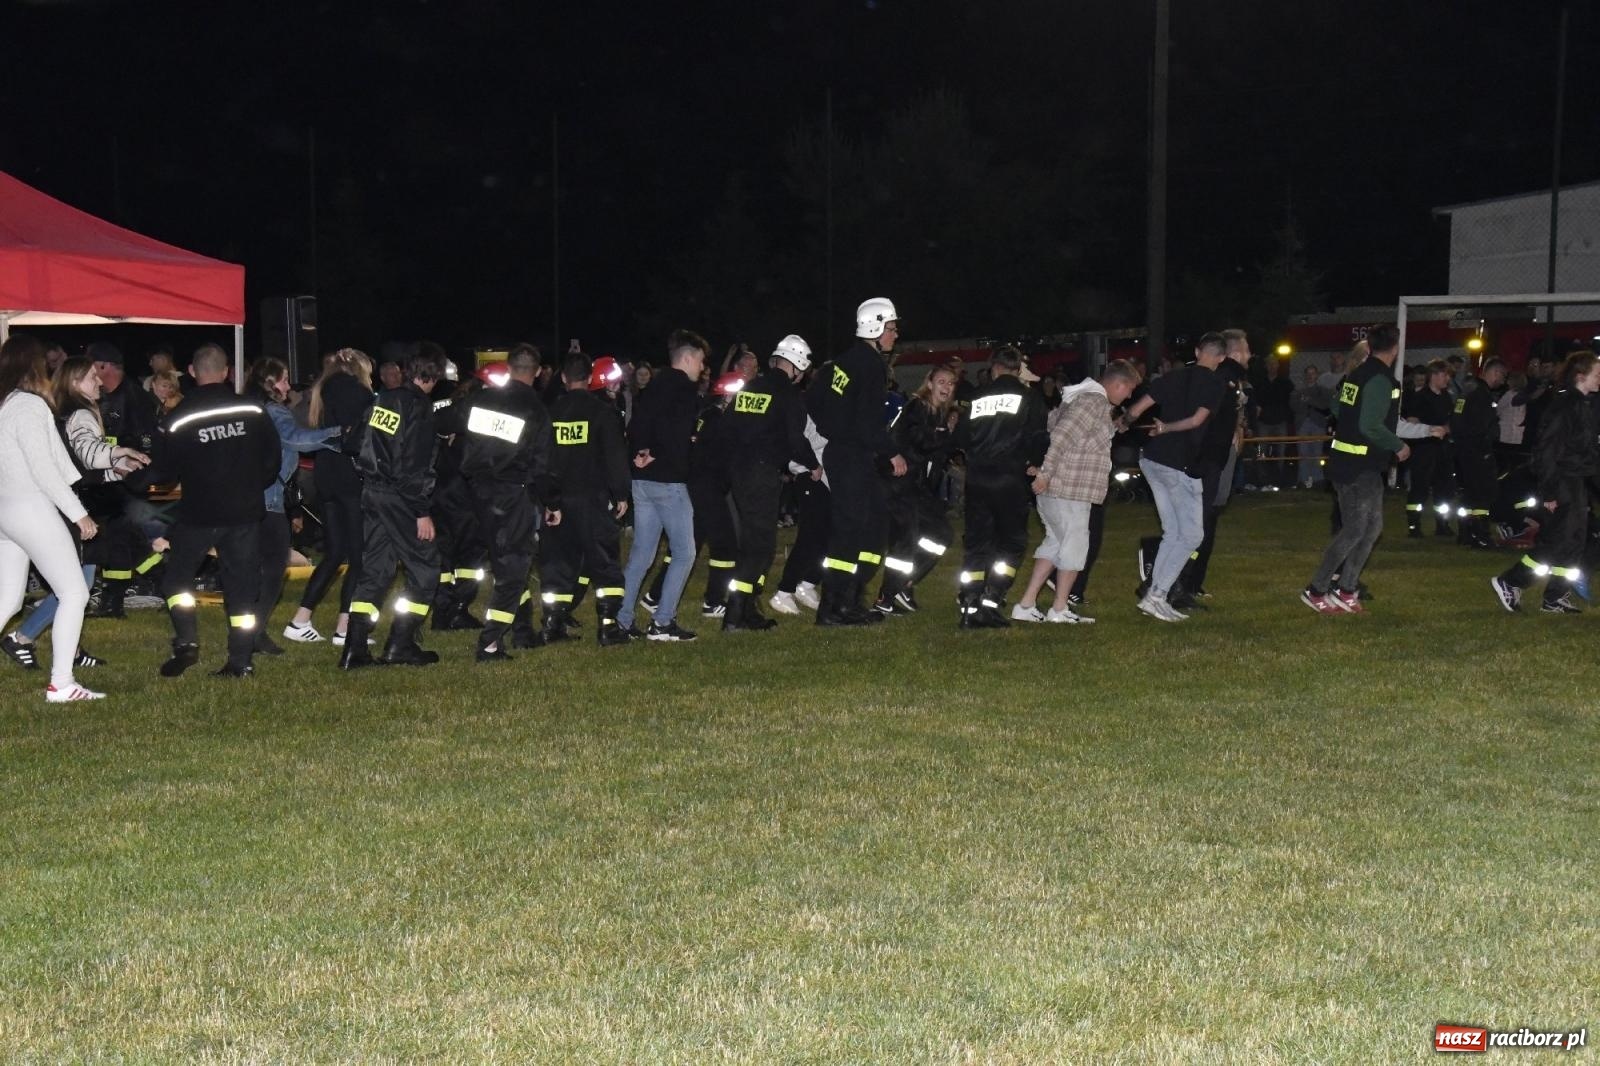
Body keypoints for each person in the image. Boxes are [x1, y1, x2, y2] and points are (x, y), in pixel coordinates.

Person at [148, 343, 281, 677]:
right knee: (241, 590)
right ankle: (240, 661)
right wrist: (249, 488)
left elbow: (163, 474)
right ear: (226, 372)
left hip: (199, 515)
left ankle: (187, 643)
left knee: (176, 580)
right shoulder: (253, 410)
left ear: (192, 372)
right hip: (245, 514)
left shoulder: (177, 419)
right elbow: (272, 461)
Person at [0, 335, 105, 701]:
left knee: (8, 599)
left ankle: (62, 681)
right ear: (34, 366)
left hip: (5, 512)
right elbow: (43, 468)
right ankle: (61, 683)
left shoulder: (6, 404)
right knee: (74, 591)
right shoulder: (28, 405)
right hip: (28, 506)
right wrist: (79, 515)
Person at [340, 346, 446, 667]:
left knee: (375, 571)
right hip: (400, 496)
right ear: (433, 376)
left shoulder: (382, 399)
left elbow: (352, 443)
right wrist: (421, 511)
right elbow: (412, 466)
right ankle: (401, 644)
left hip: (372, 492)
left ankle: (354, 650)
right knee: (426, 570)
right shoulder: (418, 408)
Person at [1013, 360, 1140, 623]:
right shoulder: (1093, 402)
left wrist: (1115, 427)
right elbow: (1061, 436)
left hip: (1059, 489)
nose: (1128, 396)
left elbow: (1065, 432)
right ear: (1119, 384)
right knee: (1074, 548)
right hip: (1069, 489)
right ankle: (1059, 609)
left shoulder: (1080, 399)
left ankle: (1025, 605)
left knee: (1054, 544)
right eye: (1129, 390)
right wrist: (1046, 473)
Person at [807, 297, 908, 626]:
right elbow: (870, 421)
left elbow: (816, 402)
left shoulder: (841, 363)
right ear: (876, 327)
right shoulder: (869, 364)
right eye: (891, 328)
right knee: (850, 534)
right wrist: (892, 451)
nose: (895, 334)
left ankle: (851, 598)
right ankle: (834, 607)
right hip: (853, 456)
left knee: (872, 525)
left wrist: (834, 429)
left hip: (844, 452)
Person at [458, 344, 559, 661]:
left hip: (477, 492)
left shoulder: (483, 399)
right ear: (539, 371)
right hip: (513, 493)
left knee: (506, 561)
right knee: (514, 565)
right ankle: (490, 643)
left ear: (508, 366)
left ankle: (522, 632)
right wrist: (551, 503)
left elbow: (458, 432)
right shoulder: (536, 409)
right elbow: (542, 466)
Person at [1301, 325, 1409, 613]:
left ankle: (1346, 588)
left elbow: (1337, 407)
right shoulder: (1380, 380)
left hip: (1356, 464)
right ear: (1395, 349)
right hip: (1358, 467)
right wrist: (1398, 445)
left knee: (1371, 529)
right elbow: (1370, 425)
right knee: (1355, 530)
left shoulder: (1356, 376)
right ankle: (1316, 589)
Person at [1123, 333, 1227, 622]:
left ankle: (1154, 596)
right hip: (1178, 465)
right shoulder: (1216, 384)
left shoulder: (1173, 376)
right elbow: (1196, 420)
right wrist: (1167, 428)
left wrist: (1119, 425)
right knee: (1192, 535)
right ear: (1221, 358)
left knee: (1173, 532)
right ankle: (1157, 595)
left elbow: (1136, 410)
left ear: (1197, 351)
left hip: (1152, 460)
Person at [720, 335, 821, 631]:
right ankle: (735, 614)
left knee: (753, 542)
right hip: (762, 475)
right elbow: (795, 439)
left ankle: (748, 610)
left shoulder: (750, 387)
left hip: (737, 472)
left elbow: (726, 427)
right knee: (760, 547)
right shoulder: (789, 395)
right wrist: (812, 465)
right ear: (799, 367)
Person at [1491, 350, 1600, 614]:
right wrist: (1550, 491)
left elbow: (1585, 452)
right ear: (1580, 376)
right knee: (1557, 542)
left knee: (1573, 541)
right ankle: (1510, 581)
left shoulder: (1583, 405)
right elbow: (1547, 451)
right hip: (1562, 481)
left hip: (1575, 481)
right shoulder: (1566, 406)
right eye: (1597, 374)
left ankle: (1555, 596)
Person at [617, 330, 708, 642]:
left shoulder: (652, 385)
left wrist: (641, 454)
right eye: (700, 360)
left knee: (642, 553)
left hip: (642, 481)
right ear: (686, 358)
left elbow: (636, 426)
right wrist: (657, 452)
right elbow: (676, 432)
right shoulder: (684, 389)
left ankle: (622, 619)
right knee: (684, 552)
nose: (703, 366)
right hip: (669, 481)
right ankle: (663, 621)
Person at [245, 358, 341, 655]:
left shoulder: (249, 409)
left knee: (251, 569)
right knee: (273, 570)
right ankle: (255, 632)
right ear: (269, 382)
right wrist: (339, 434)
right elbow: (297, 440)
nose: (288, 385)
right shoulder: (273, 411)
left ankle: (249, 631)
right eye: (284, 379)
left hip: (246, 498)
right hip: (268, 502)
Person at [954, 346, 1048, 628]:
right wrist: (1034, 462)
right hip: (1010, 479)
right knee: (1011, 543)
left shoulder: (976, 397)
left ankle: (969, 605)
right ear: (1019, 369)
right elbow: (1039, 437)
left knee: (976, 544)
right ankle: (992, 602)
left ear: (992, 367)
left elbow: (961, 437)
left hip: (978, 478)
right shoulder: (1029, 397)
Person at [542, 352, 632, 647]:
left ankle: (553, 624)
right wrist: (621, 494)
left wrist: (548, 501)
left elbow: (542, 461)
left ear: (564, 378)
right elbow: (615, 456)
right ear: (591, 377)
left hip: (559, 503)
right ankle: (608, 627)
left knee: (559, 563)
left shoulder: (551, 412)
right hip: (593, 500)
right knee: (604, 562)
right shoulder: (602, 412)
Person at [285, 348, 373, 645]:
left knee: (334, 552)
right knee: (359, 557)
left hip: (326, 475)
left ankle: (300, 620)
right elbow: (360, 437)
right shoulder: (357, 393)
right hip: (350, 477)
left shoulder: (321, 391)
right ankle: (344, 628)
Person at [873, 365, 957, 614]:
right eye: (941, 381)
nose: (946, 387)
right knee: (905, 541)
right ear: (929, 383)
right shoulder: (917, 407)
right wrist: (944, 433)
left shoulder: (940, 413)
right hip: (897, 483)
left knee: (940, 534)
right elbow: (920, 442)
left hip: (915, 487)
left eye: (951, 383)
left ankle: (904, 584)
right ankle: (885, 598)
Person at [1450, 357, 1505, 548]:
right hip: (1478, 452)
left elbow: (1456, 421)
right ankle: (1481, 535)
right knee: (1484, 494)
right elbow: (1483, 426)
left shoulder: (1467, 392)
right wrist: (1485, 449)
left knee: (1468, 494)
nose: (1502, 380)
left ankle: (1465, 533)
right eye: (1501, 375)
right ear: (1495, 372)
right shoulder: (1482, 395)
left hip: (1463, 451)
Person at [1402, 360, 1456, 537]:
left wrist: (1447, 429)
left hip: (1443, 449)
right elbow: (1412, 421)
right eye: (1444, 375)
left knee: (1444, 488)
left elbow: (1450, 421)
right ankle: (1414, 526)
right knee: (1420, 487)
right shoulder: (1420, 397)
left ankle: (1442, 524)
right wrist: (1430, 429)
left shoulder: (1446, 397)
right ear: (1433, 375)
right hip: (1424, 449)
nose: (1447, 379)